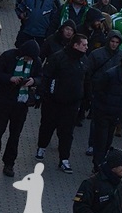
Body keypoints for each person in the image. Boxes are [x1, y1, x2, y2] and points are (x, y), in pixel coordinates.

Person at [0, 40, 43, 178]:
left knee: (15, 135)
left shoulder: (36, 61)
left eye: (31, 58)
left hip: (22, 103)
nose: (29, 60)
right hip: (5, 101)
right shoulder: (8, 56)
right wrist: (10, 78)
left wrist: (33, 81)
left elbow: (41, 77)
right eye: (27, 57)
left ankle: (9, 163)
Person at [36, 33, 89, 173]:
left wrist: (84, 98)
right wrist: (44, 94)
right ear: (75, 45)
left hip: (72, 104)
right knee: (47, 126)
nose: (86, 47)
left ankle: (64, 159)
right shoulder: (58, 57)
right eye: (84, 45)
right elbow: (46, 76)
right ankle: (42, 147)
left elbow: (86, 80)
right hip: (53, 101)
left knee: (67, 132)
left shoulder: (84, 60)